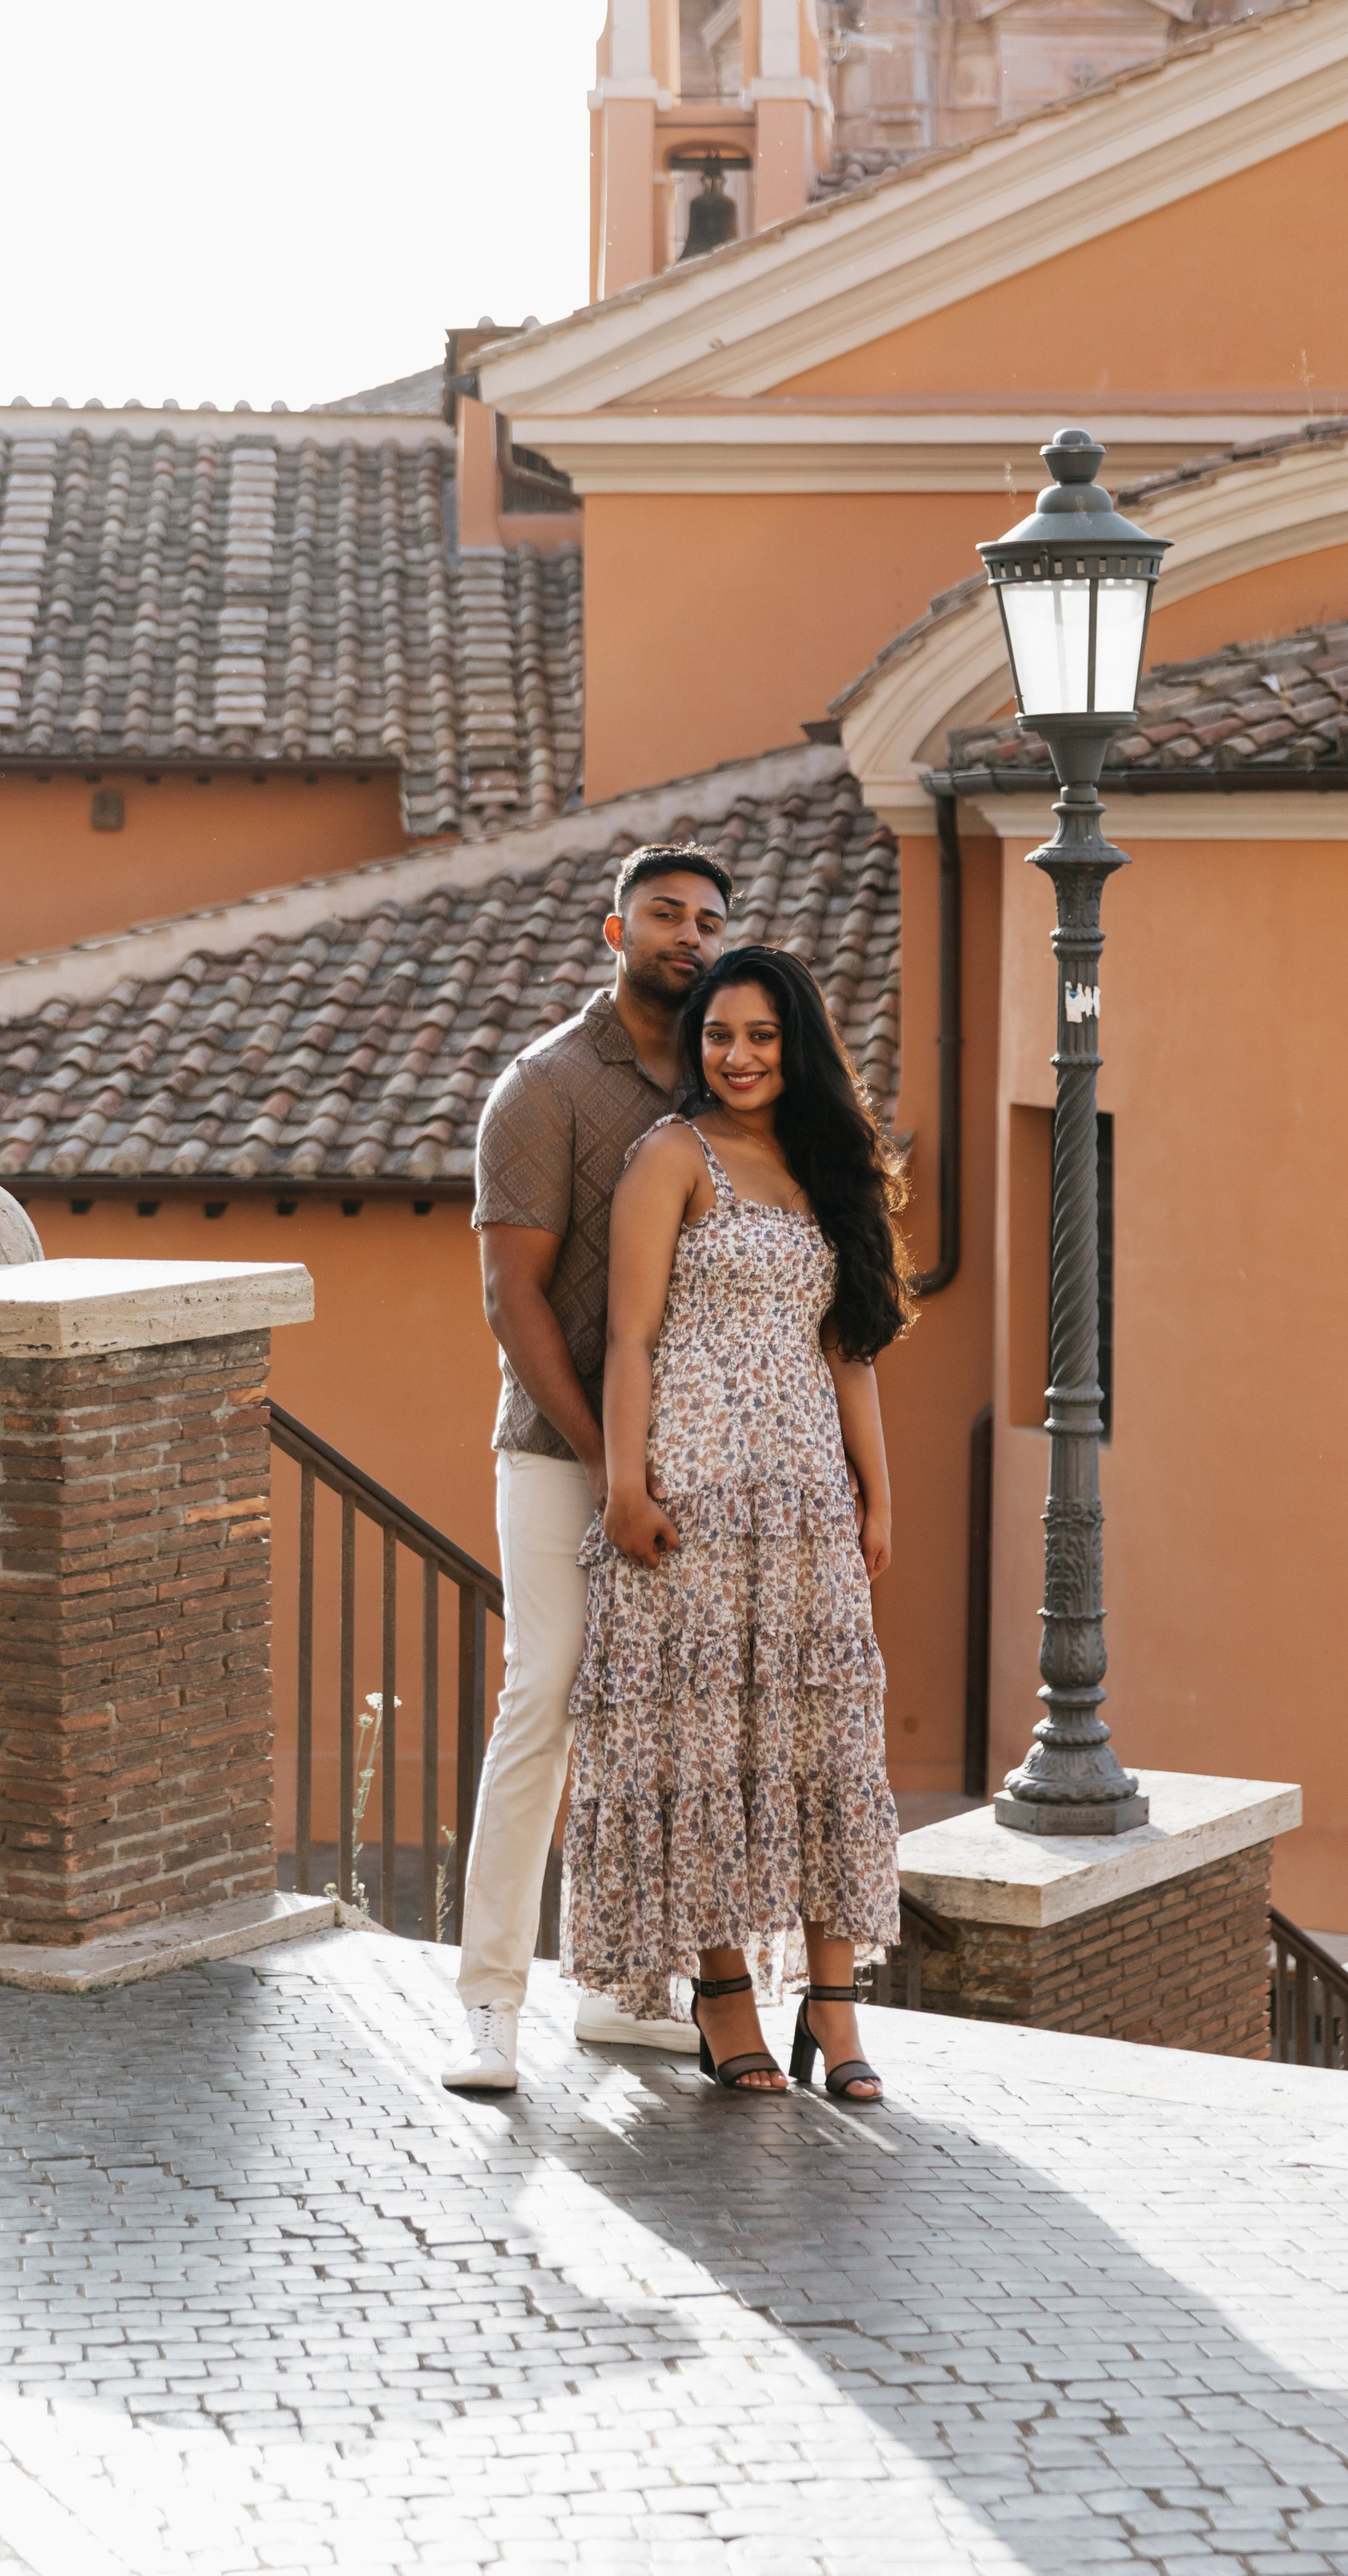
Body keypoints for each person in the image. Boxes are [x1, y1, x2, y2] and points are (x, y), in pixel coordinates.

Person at [559, 943, 909, 2101]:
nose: (739, 1056)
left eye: (761, 1035)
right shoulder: (673, 1155)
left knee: (825, 1745)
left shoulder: (830, 1167)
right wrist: (624, 1486)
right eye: (719, 1035)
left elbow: (850, 1350)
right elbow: (630, 1337)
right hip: (697, 1491)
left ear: (796, 1043)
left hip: (806, 1500)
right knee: (699, 1745)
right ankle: (723, 1999)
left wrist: (878, 1493)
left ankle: (836, 2007)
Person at [445, 842, 733, 2095]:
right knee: (547, 1693)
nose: (690, 937)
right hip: (558, 1449)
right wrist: (611, 1461)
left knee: (669, 1713)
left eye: (708, 922)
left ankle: (621, 1991)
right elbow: (511, 1300)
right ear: (615, 933)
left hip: (701, 1460)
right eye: (665, 915)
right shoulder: (545, 1085)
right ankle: (488, 2003)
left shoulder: (733, 1082)